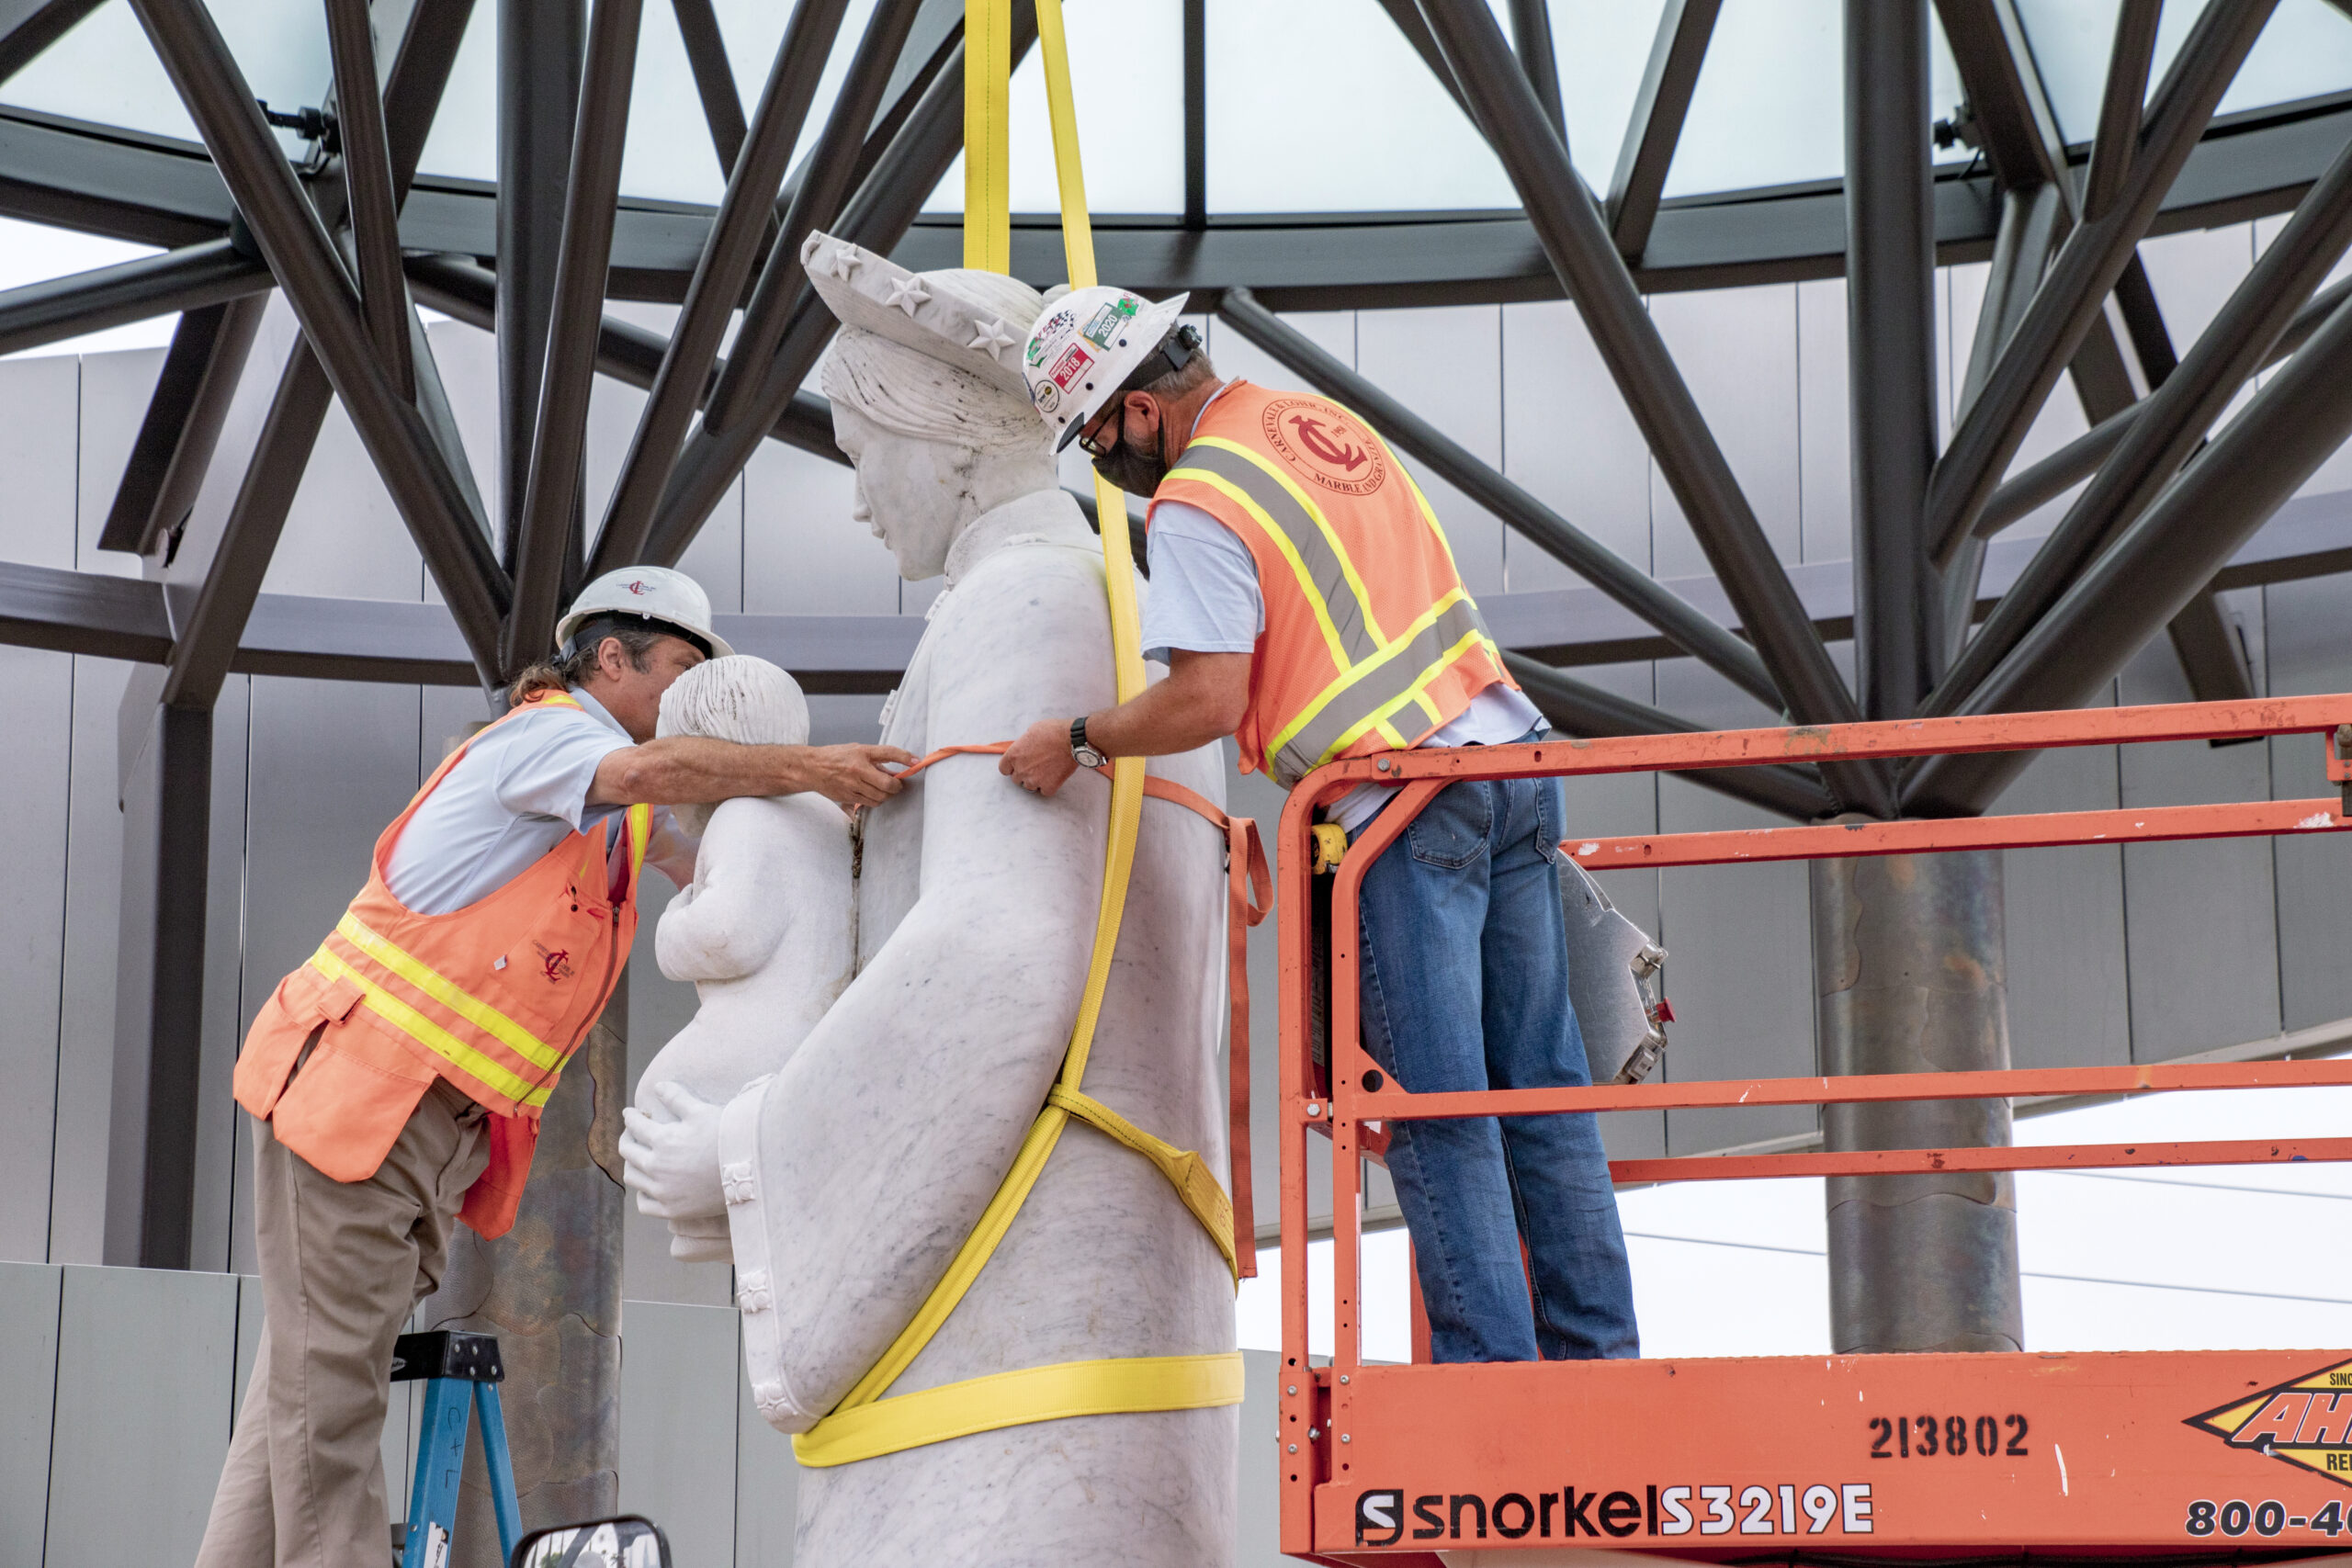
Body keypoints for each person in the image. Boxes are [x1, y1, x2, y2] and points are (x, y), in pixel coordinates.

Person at [193, 567, 913, 1568]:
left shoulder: (606, 813)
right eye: (674, 674)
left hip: (409, 1123)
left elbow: (706, 849)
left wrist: (842, 834)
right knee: (327, 1421)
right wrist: (812, 765)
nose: (684, 708)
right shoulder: (551, 740)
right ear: (607, 659)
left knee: (304, 1400)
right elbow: (659, 780)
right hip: (361, 1099)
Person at [1001, 288, 1641, 1365]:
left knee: (1435, 1113)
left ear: (1137, 411)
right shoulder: (1311, 425)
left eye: (1097, 436)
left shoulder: (1197, 500)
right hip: (1513, 763)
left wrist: (1073, 739)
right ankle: (1599, 1363)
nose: (1103, 462)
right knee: (1540, 1087)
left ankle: (1491, 1387)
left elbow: (1205, 699)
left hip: (1402, 807)